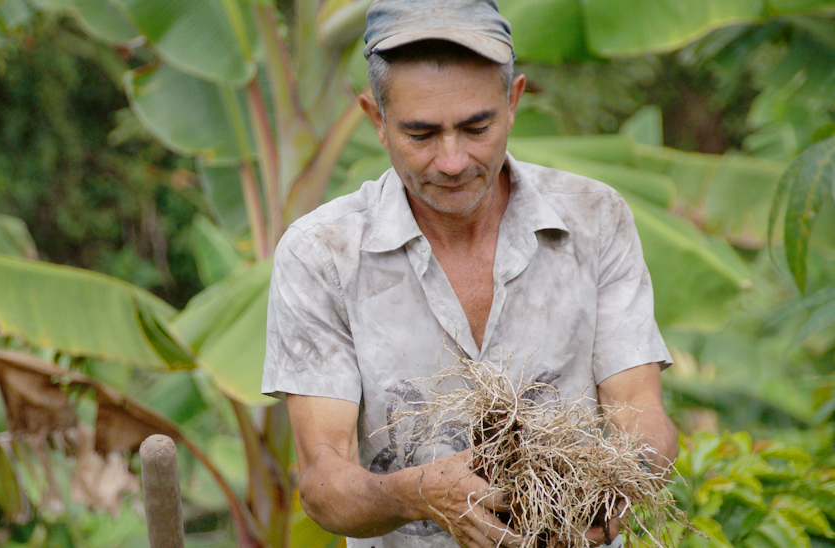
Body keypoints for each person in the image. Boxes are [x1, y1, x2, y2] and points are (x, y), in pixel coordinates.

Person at [261, 0, 679, 546]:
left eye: (476, 126)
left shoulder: (594, 218)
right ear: (377, 122)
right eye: (422, 134)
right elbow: (323, 483)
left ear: (513, 101)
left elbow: (641, 411)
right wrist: (419, 494)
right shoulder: (321, 253)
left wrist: (622, 483)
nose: (453, 160)